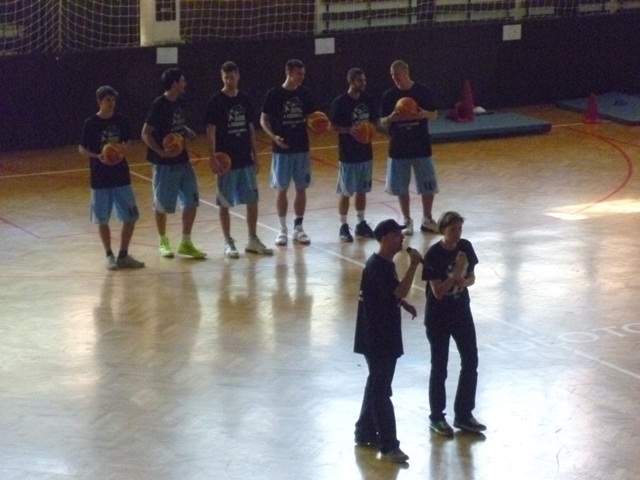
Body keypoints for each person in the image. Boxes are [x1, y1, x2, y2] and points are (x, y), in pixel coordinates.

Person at [353, 219, 422, 463]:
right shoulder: (377, 266)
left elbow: (387, 294)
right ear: (384, 239)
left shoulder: (384, 265)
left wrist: (402, 303)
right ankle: (389, 445)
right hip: (378, 338)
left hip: (379, 335)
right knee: (381, 391)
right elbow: (399, 289)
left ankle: (364, 431)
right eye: (396, 235)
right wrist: (414, 265)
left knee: (376, 384)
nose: (402, 238)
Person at [422, 211, 486, 436]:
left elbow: (471, 277)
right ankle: (437, 417)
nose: (457, 234)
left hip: (461, 312)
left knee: (470, 360)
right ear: (443, 230)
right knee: (439, 365)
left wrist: (465, 281)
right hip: (438, 316)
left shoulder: (466, 247)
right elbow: (438, 292)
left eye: (460, 229)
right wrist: (455, 274)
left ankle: (464, 414)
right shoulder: (433, 255)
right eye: (453, 229)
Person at [204, 61, 273, 259]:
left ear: (238, 76)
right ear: (222, 77)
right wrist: (212, 157)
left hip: (245, 158)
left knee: (252, 200)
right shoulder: (215, 101)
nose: (228, 81)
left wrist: (256, 155)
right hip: (226, 161)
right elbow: (210, 130)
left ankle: (252, 239)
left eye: (231, 77)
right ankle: (228, 241)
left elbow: (250, 128)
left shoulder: (244, 99)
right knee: (224, 203)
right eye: (225, 78)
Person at [141, 67, 206, 259]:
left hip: (183, 160)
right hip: (164, 164)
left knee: (192, 201)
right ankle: (163, 241)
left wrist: (186, 130)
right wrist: (160, 152)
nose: (185, 83)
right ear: (175, 83)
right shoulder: (158, 105)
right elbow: (145, 133)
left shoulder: (181, 102)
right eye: (182, 80)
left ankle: (186, 242)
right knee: (162, 205)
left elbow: (175, 123)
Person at [78, 85, 145, 271]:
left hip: (121, 175)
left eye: (114, 100)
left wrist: (122, 150)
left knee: (131, 216)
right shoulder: (91, 123)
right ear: (99, 101)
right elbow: (81, 149)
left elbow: (128, 141)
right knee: (103, 219)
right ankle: (109, 255)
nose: (112, 103)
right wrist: (97, 156)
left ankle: (123, 255)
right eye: (108, 100)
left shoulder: (121, 120)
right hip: (100, 177)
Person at [379, 60, 439, 236]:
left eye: (397, 75)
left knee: (428, 185)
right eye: (392, 76)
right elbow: (382, 122)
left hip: (421, 146)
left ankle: (427, 219)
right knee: (401, 187)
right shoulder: (389, 95)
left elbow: (434, 114)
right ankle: (407, 220)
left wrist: (423, 114)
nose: (394, 78)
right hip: (399, 148)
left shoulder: (422, 91)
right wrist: (391, 118)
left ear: (406, 73)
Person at [260, 59, 314, 247]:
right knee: (281, 189)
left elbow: (312, 118)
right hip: (282, 150)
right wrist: (273, 137)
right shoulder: (274, 94)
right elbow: (263, 120)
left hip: (302, 148)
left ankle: (299, 227)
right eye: (299, 74)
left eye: (303, 74)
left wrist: (317, 126)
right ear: (289, 73)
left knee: (301, 188)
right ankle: (282, 229)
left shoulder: (304, 94)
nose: (302, 77)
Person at [329, 67, 377, 243]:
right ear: (351, 82)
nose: (363, 83)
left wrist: (370, 130)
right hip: (348, 153)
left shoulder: (369, 100)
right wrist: (349, 130)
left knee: (362, 190)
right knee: (346, 192)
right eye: (359, 81)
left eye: (364, 80)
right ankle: (343, 225)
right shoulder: (340, 102)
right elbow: (332, 126)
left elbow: (374, 122)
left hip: (365, 152)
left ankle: (361, 223)